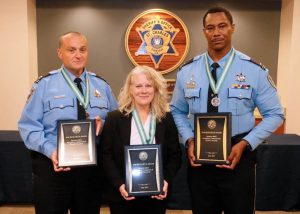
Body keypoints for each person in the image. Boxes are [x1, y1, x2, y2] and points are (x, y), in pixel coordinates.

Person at [170, 7, 284, 214]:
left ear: (232, 28)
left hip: (238, 157)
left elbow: (275, 114)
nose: (216, 33)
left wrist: (245, 144)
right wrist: (189, 140)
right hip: (199, 160)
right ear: (204, 31)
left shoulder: (254, 70)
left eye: (222, 26)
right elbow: (177, 110)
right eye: (210, 28)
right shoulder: (187, 71)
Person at [18, 31, 118, 214]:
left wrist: (103, 124)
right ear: (59, 53)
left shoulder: (102, 85)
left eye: (82, 49)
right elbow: (28, 127)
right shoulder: (44, 85)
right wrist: (51, 151)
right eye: (71, 50)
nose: (78, 55)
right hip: (53, 167)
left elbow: (116, 123)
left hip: (90, 170)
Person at [101, 65, 182, 214]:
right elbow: (106, 155)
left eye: (148, 86)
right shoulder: (114, 118)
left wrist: (165, 181)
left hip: (156, 195)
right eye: (138, 86)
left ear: (155, 89)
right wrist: (119, 184)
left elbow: (175, 155)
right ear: (130, 89)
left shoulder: (166, 118)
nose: (143, 90)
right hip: (123, 195)